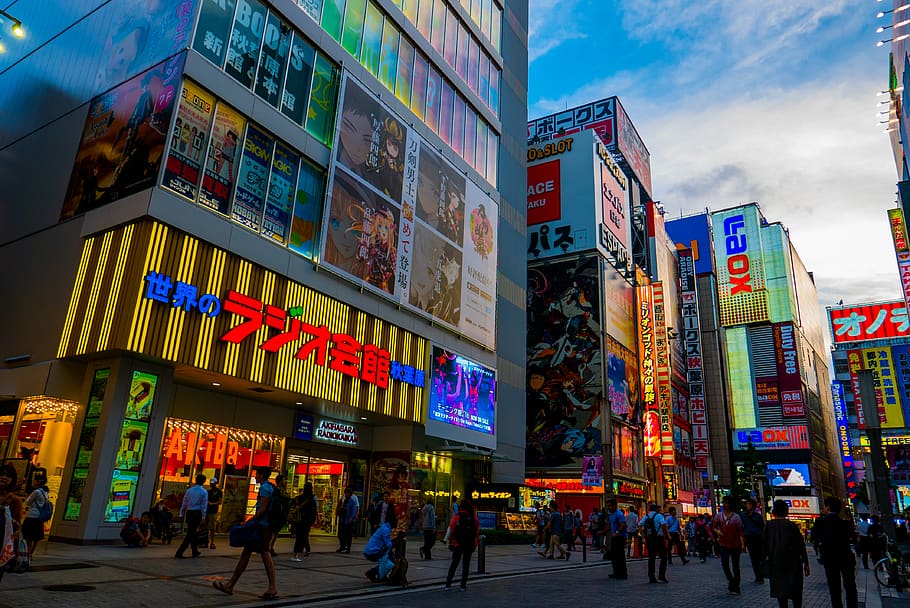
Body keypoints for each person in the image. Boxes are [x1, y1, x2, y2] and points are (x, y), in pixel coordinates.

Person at [212, 466, 278, 601]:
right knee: (248, 553)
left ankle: (272, 587)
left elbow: (263, 508)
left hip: (262, 526)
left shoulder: (265, 488)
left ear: (262, 475)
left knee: (264, 553)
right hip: (263, 526)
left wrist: (249, 521)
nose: (255, 477)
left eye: (256, 474)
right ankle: (230, 585)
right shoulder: (270, 487)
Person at [813, 496, 858, 608]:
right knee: (850, 585)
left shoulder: (820, 522)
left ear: (827, 508)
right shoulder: (846, 523)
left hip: (829, 558)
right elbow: (852, 538)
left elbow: (814, 537)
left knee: (834, 587)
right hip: (846, 556)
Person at [764, 499, 810, 608]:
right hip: (793, 563)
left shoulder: (768, 526)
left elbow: (764, 545)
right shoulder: (791, 526)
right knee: (796, 592)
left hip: (775, 563)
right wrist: (806, 562)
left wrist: (764, 560)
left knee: (781, 593)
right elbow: (800, 545)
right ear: (786, 511)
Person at [445, 497, 480, 591]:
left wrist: (453, 538)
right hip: (469, 543)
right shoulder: (473, 518)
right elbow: (476, 531)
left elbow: (452, 528)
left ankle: (448, 584)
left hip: (458, 543)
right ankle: (463, 585)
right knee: (466, 564)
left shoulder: (457, 516)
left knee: (454, 563)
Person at [714, 496, 746, 595]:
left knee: (735, 566)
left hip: (735, 544)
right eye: (724, 503)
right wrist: (718, 532)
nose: (725, 505)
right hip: (723, 543)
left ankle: (735, 586)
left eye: (726, 503)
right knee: (724, 564)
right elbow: (714, 527)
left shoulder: (736, 517)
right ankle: (732, 582)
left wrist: (742, 544)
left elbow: (740, 532)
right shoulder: (719, 516)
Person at [175, 474, 208, 559]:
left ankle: (194, 550)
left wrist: (181, 513)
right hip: (197, 513)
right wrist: (203, 517)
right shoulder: (203, 492)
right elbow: (204, 505)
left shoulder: (189, 490)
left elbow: (184, 502)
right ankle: (180, 551)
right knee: (191, 533)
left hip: (189, 512)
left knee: (192, 531)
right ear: (203, 482)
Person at [22, 474, 50, 560]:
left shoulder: (36, 492)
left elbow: (28, 502)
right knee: (36, 537)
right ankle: (31, 553)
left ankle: (28, 553)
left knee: (28, 536)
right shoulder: (46, 492)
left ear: (38, 481)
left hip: (32, 515)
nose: (33, 481)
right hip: (40, 517)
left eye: (34, 480)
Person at [364, 511, 398, 579]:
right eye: (396, 521)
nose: (397, 523)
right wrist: (395, 544)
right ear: (392, 521)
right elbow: (388, 544)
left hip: (370, 551)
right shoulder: (385, 529)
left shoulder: (384, 527)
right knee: (390, 561)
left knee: (387, 558)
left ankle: (381, 574)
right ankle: (372, 572)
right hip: (372, 552)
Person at [641, 503, 669, 583]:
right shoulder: (659, 516)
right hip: (658, 538)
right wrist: (665, 536)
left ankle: (651, 576)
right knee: (664, 556)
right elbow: (663, 525)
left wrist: (644, 536)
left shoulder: (646, 516)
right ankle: (661, 575)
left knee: (651, 557)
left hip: (650, 539)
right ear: (656, 509)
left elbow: (639, 525)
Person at [291, 481, 318, 561]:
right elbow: (314, 510)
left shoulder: (299, 498)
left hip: (300, 519)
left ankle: (297, 553)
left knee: (300, 536)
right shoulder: (312, 498)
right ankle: (297, 554)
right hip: (307, 520)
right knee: (303, 536)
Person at [741, 497, 765, 582]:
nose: (747, 505)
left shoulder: (757, 516)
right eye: (746, 504)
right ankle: (758, 576)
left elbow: (762, 528)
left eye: (748, 504)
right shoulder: (743, 515)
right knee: (753, 558)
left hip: (757, 538)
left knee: (759, 558)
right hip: (749, 539)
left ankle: (760, 576)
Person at [607, 499, 628, 579]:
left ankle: (622, 573)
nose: (608, 507)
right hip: (614, 537)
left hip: (620, 537)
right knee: (614, 555)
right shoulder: (611, 514)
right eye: (608, 506)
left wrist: (616, 532)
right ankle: (616, 572)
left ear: (614, 506)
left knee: (620, 556)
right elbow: (609, 525)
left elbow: (622, 525)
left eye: (610, 506)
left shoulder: (619, 514)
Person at [336, 487, 359, 553]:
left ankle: (348, 548)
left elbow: (354, 510)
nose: (346, 494)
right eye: (345, 493)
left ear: (350, 494)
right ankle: (342, 546)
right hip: (343, 519)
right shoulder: (344, 500)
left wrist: (352, 518)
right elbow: (341, 507)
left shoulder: (353, 501)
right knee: (340, 534)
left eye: (348, 493)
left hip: (349, 521)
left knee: (348, 535)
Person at [206, 477, 223, 550]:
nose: (211, 484)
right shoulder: (208, 492)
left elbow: (220, 501)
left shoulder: (218, 491)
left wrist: (212, 504)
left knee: (212, 528)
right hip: (207, 510)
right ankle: (205, 541)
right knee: (206, 527)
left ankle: (212, 542)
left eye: (213, 483)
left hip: (213, 511)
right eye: (211, 483)